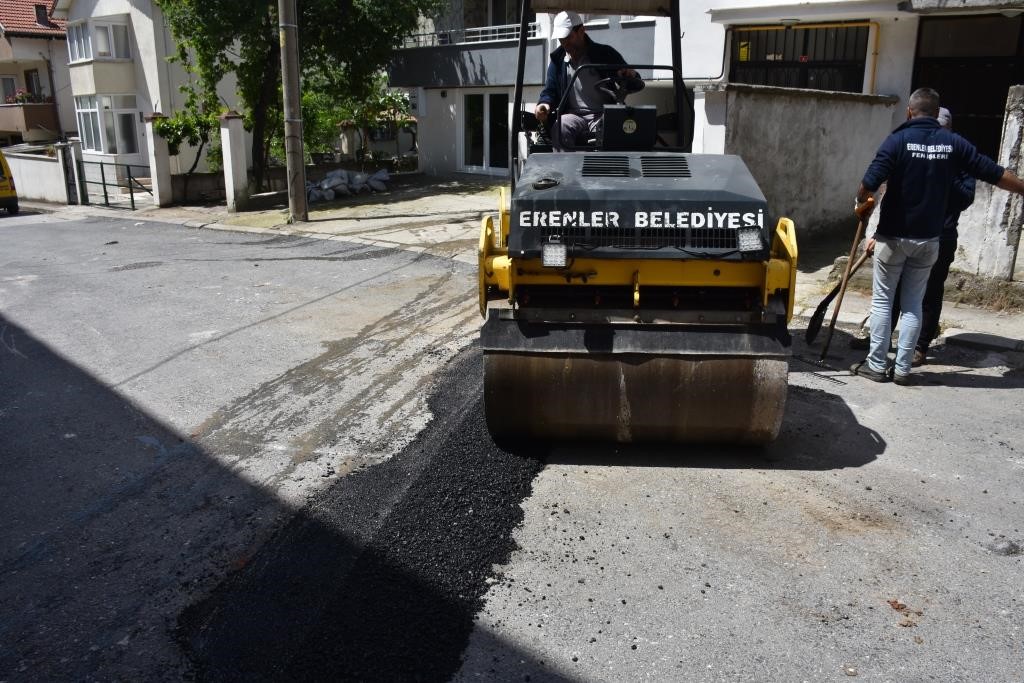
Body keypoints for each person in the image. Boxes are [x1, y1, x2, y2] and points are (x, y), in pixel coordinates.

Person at [851, 87, 1024, 385]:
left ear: (909, 111)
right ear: (935, 112)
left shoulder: (897, 140)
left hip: (893, 237)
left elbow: (869, 182)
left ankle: (877, 365)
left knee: (882, 302)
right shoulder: (954, 143)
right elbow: (993, 172)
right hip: (929, 239)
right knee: (913, 304)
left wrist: (862, 202)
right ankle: (903, 369)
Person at [851, 107, 976, 367]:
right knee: (891, 294)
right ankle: (880, 340)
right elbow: (894, 196)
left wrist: (945, 173)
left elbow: (965, 198)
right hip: (899, 233)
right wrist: (877, 232)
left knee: (927, 295)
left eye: (941, 131)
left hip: (940, 236)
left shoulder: (958, 155)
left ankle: (919, 347)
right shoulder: (909, 149)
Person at [534, 11, 639, 151]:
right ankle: (566, 170)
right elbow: (550, 90)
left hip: (602, 114)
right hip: (573, 115)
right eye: (561, 39)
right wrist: (544, 104)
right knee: (561, 126)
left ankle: (609, 170)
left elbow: (630, 79)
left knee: (612, 124)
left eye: (568, 37)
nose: (564, 43)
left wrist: (629, 74)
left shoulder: (604, 54)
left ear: (582, 31)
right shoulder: (557, 60)